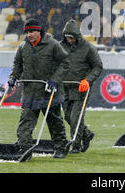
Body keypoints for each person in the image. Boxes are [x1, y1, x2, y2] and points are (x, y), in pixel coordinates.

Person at [8, 18, 71, 159]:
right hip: (30, 92)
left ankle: (61, 148)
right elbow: (17, 64)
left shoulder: (53, 44)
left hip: (49, 92)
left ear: (39, 31)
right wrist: (13, 77)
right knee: (25, 123)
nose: (29, 34)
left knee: (54, 122)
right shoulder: (23, 46)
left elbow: (65, 63)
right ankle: (24, 150)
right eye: (27, 32)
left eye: (32, 31)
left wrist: (54, 80)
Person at [59, 19, 103, 154]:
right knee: (67, 116)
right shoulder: (60, 46)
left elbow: (97, 66)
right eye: (67, 38)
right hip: (65, 87)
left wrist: (87, 80)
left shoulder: (88, 48)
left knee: (75, 117)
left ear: (76, 37)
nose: (69, 40)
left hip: (81, 88)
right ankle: (87, 134)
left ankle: (76, 145)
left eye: (71, 38)